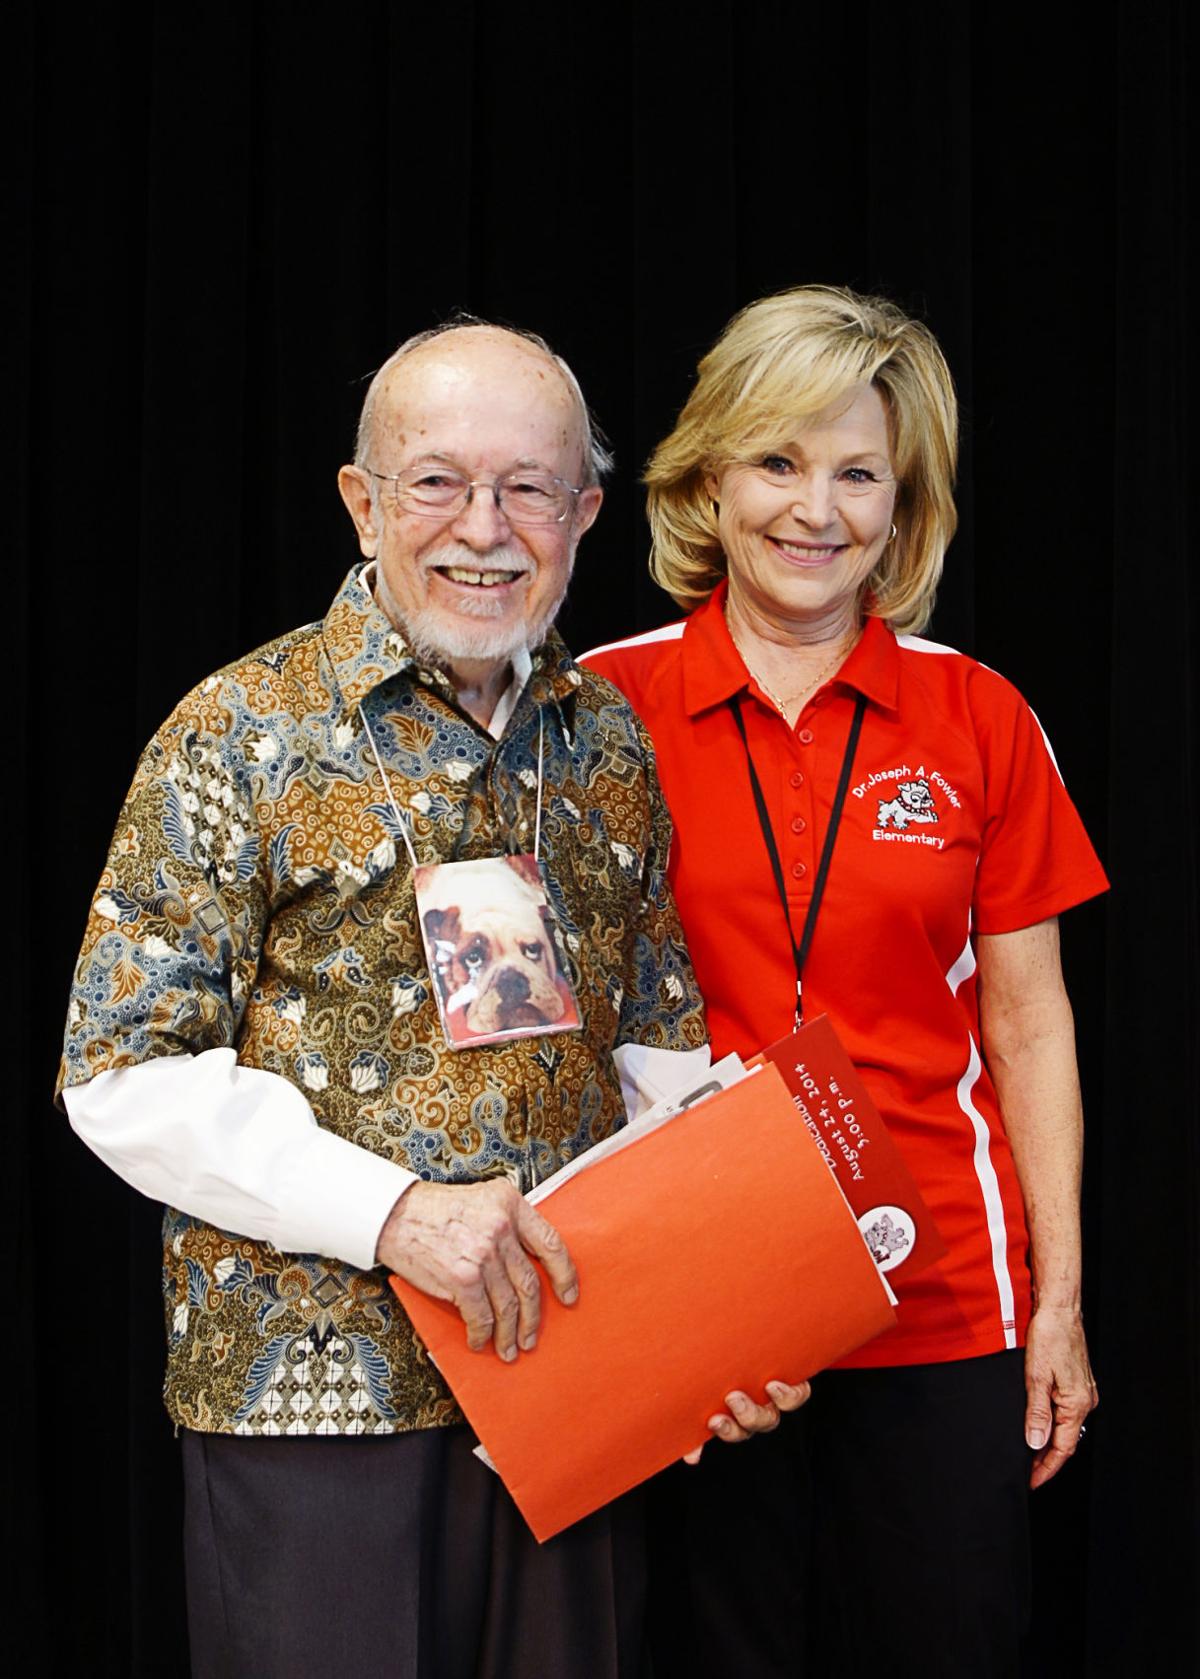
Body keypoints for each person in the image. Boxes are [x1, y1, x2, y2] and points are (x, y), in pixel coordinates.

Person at [55, 320, 805, 1679]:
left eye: (529, 487)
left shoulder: (606, 739)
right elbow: (120, 1074)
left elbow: (659, 1051)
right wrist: (397, 1218)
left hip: (575, 1391)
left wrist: (717, 1320)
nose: (485, 530)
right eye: (437, 483)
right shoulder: (240, 728)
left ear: (583, 512)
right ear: (362, 503)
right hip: (316, 1406)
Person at [583, 285, 1108, 1677]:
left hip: (938, 1296)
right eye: (779, 460)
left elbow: (1029, 1020)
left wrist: (1056, 1301)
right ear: (708, 478)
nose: (815, 509)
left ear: (903, 504)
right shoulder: (596, 710)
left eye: (858, 472)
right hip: (699, 1302)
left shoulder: (980, 715)